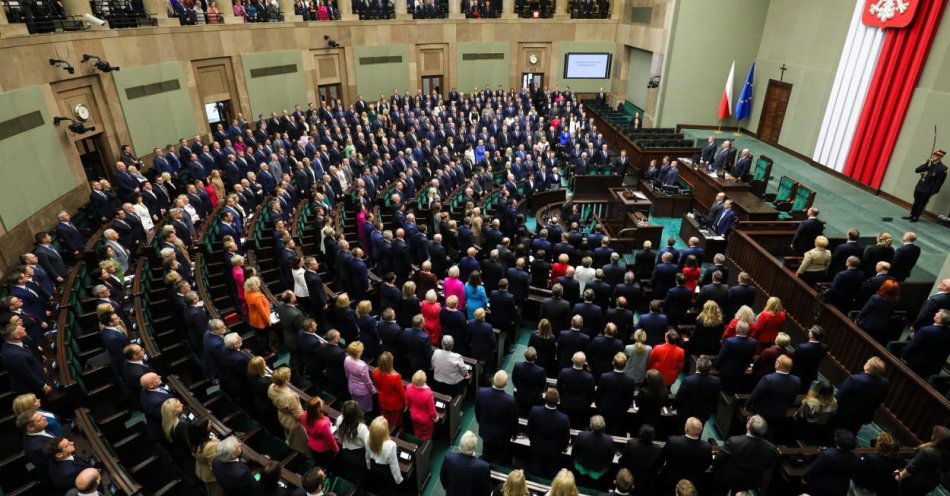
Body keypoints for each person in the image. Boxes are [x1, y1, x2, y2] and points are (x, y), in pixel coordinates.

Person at [712, 415, 777, 495]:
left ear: (748, 426)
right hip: (749, 481)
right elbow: (767, 466)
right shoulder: (770, 448)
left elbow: (718, 459)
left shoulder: (734, 441)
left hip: (728, 477)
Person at [748, 354, 800, 439]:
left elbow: (755, 395)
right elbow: (792, 398)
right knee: (771, 431)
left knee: (756, 432)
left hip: (762, 412)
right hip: (780, 412)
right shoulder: (797, 380)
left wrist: (747, 405)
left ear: (778, 364)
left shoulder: (768, 379)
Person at [835, 356, 889, 434]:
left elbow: (840, 396)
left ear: (868, 367)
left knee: (838, 433)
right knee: (853, 433)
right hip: (863, 415)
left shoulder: (854, 379)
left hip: (845, 414)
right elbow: (880, 399)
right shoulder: (885, 383)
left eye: (867, 362)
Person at [475, 371, 519, 465]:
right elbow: (513, 420)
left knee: (486, 452)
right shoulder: (510, 401)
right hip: (502, 436)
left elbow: (477, 411)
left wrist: (480, 423)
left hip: (485, 432)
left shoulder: (482, 392)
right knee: (500, 456)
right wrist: (514, 434)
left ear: (493, 379)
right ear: (506, 383)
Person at [527, 388, 570, 479]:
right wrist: (562, 448)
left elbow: (529, 430)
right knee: (552, 475)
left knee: (536, 472)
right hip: (554, 452)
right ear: (558, 400)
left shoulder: (535, 411)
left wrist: (533, 442)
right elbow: (565, 438)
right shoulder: (563, 418)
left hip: (537, 447)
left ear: (545, 398)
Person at [661, 417, 711, 493]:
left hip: (671, 481)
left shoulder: (673, 441)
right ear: (701, 431)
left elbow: (663, 457)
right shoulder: (706, 447)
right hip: (693, 483)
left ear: (686, 428)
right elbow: (706, 465)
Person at [803, 429, 859, 496]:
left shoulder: (827, 454)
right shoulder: (856, 456)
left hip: (821, 489)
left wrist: (804, 479)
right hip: (842, 490)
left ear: (836, 440)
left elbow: (813, 470)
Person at [268, 367, 309, 454]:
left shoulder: (271, 387)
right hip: (294, 423)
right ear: (286, 380)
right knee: (302, 444)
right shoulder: (290, 396)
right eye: (289, 376)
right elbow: (299, 415)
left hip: (282, 416)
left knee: (290, 436)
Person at [900, 309, 950, 379]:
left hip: (915, 366)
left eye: (938, 313)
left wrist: (902, 357)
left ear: (939, 320)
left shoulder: (925, 330)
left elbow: (912, 346)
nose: (935, 313)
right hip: (933, 369)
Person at [440, 431, 492, 496]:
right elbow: (486, 490)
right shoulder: (484, 467)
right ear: (474, 447)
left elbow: (443, 479)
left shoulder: (448, 458)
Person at [595, 352, 636, 435]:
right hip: (620, 413)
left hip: (605, 410)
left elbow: (598, 395)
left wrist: (600, 407)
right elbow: (629, 400)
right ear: (625, 365)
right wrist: (624, 409)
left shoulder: (604, 377)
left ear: (613, 363)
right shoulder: (630, 381)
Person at [851, 432, 903, 496]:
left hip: (860, 487)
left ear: (879, 445)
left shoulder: (871, 458)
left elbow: (858, 470)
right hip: (873, 490)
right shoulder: (895, 462)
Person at [674, 356, 721, 425]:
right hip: (704, 414)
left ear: (697, 366)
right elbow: (715, 399)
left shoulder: (688, 380)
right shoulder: (716, 381)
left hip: (687, 413)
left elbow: (680, 397)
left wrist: (674, 406)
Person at [572, 415, 614, 489]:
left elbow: (574, 452)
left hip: (581, 467)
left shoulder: (582, 435)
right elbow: (610, 457)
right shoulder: (609, 440)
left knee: (579, 484)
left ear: (591, 426)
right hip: (598, 470)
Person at [618, 424, 661, 496]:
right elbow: (658, 467)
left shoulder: (631, 443)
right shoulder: (657, 449)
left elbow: (622, 461)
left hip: (630, 481)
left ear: (640, 433)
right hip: (647, 484)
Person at [903, 149, 946, 222]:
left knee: (921, 203)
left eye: (937, 155)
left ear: (940, 157)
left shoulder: (942, 168)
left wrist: (933, 192)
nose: (934, 156)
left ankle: (916, 217)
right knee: (916, 201)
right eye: (934, 155)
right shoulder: (929, 164)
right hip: (920, 186)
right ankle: (912, 214)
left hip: (928, 188)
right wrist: (926, 164)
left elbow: (939, 182)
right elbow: (917, 170)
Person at [715, 320, 757, 394]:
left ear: (736, 329)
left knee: (722, 391)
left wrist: (716, 366)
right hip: (741, 371)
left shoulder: (729, 341)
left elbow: (721, 356)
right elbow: (750, 358)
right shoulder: (753, 342)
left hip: (726, 371)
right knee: (733, 390)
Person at [334, 400, 369, 485]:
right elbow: (367, 446)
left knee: (350, 473)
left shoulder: (339, 419)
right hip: (359, 455)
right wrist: (368, 462)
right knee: (361, 476)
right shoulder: (362, 428)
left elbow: (339, 435)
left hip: (346, 452)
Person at [366, 416, 404, 493]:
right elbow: (394, 466)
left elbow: (367, 455)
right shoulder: (391, 445)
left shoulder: (367, 439)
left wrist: (369, 466)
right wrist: (399, 479)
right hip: (386, 471)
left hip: (374, 468)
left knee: (379, 486)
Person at [558, 351, 596, 428]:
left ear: (572, 360)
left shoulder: (564, 372)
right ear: (584, 363)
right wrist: (586, 404)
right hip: (581, 407)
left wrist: (562, 398)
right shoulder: (589, 377)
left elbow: (559, 387)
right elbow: (591, 394)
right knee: (577, 427)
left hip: (565, 403)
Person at [794, 378, 837, 445]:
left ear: (817, 389)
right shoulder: (834, 402)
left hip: (807, 426)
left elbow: (801, 415)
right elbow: (831, 416)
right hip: (822, 428)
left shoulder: (811, 403)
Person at [856, 279, 900, 343]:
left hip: (866, 325)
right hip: (880, 327)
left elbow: (865, 311)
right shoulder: (895, 302)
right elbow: (890, 314)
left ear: (883, 288)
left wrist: (856, 319)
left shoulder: (875, 298)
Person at [300, 396, 339, 467]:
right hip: (323, 449)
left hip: (311, 443)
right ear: (318, 409)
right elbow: (330, 440)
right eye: (321, 403)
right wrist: (336, 450)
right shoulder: (323, 423)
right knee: (326, 464)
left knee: (318, 462)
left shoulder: (303, 415)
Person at [791, 325, 828, 393]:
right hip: (811, 373)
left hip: (798, 373)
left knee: (793, 390)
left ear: (812, 335)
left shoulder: (802, 347)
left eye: (810, 331)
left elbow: (793, 360)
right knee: (804, 390)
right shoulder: (824, 348)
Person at [344, 341, 376, 413]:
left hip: (351, 387)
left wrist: (350, 382)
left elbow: (347, 374)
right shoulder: (362, 365)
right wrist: (373, 390)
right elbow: (367, 381)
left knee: (355, 404)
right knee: (364, 408)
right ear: (358, 353)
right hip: (363, 391)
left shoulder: (347, 359)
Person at [406, 370, 438, 440]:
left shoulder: (408, 387)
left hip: (414, 415)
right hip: (426, 419)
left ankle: (418, 442)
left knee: (417, 431)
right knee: (427, 435)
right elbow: (432, 411)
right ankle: (426, 447)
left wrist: (411, 409)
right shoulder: (429, 393)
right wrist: (436, 417)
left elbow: (408, 403)